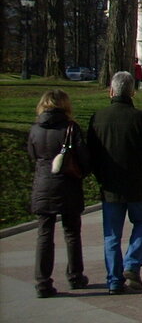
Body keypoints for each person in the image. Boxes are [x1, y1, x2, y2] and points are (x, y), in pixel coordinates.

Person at [87, 71, 142, 294]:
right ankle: (132, 264)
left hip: (110, 185)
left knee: (112, 234)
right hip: (138, 184)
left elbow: (92, 153)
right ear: (132, 92)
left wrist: (99, 175)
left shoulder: (98, 117)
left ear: (111, 91)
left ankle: (114, 280)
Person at [27, 88, 91, 298]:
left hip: (43, 183)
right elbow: (83, 157)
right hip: (67, 184)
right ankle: (75, 276)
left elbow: (32, 154)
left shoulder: (35, 129)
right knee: (71, 232)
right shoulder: (70, 128)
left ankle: (42, 282)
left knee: (44, 234)